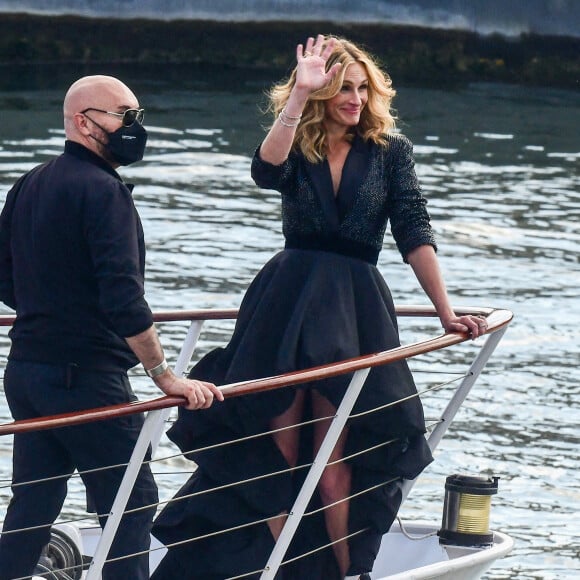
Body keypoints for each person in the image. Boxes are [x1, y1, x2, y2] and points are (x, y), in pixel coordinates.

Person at [152, 35, 488, 580]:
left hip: (354, 312)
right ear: (321, 93)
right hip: (286, 305)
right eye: (341, 88)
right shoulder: (297, 144)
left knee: (335, 461)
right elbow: (264, 171)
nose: (354, 98)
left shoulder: (390, 150)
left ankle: (346, 572)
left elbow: (414, 230)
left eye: (362, 87)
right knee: (278, 450)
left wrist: (445, 311)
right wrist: (296, 97)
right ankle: (280, 569)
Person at [0, 75, 223, 580]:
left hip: (28, 373)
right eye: (124, 115)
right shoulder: (105, 193)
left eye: (138, 116)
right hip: (86, 379)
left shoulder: (31, 181)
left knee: (33, 504)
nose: (134, 127)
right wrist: (166, 376)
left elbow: (7, 282)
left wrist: (57, 305)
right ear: (83, 122)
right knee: (132, 500)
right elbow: (124, 299)